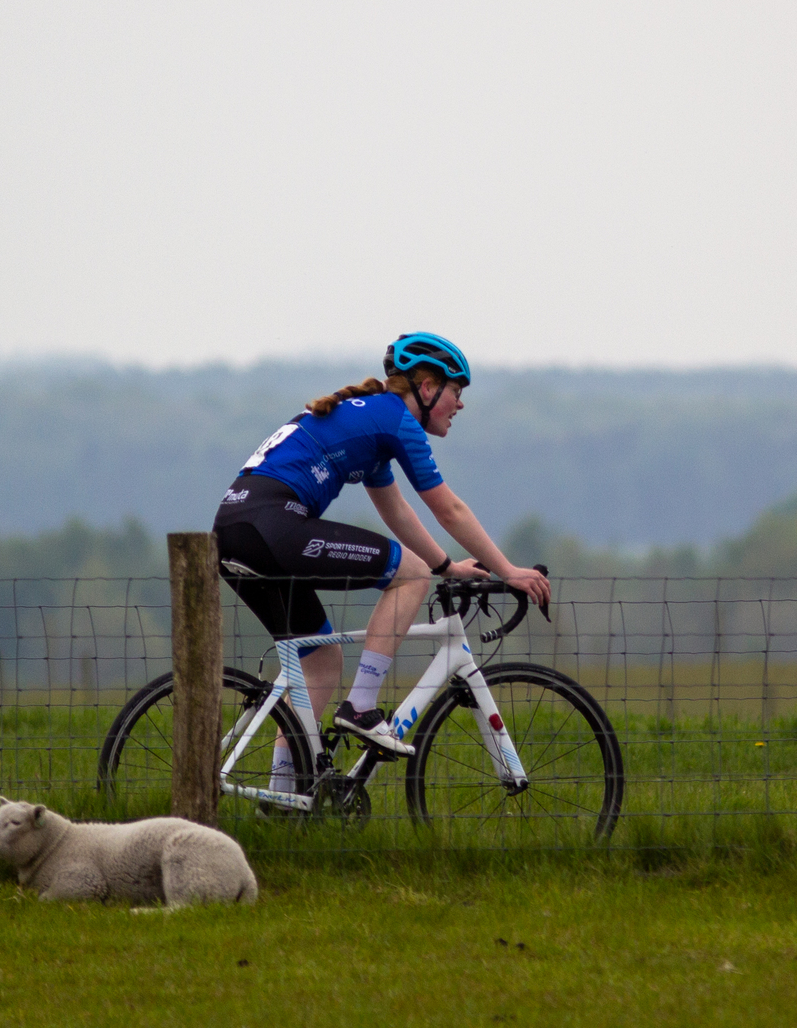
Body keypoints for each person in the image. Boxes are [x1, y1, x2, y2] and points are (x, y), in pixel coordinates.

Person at [212, 331, 550, 777]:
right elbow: (448, 509)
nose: (461, 404)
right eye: (456, 391)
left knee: (320, 662)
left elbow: (396, 510)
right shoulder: (397, 422)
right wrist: (508, 571)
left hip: (236, 529)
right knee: (410, 576)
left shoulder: (374, 425)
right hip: (272, 523)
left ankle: (283, 795)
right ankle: (363, 706)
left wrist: (448, 566)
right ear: (428, 389)